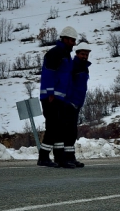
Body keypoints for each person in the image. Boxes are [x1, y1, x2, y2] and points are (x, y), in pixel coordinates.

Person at [38, 26, 77, 168]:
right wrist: (49, 94)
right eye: (72, 40)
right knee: (53, 127)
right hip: (51, 98)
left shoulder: (66, 55)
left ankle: (60, 158)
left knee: (59, 127)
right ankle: (43, 157)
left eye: (74, 41)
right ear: (65, 39)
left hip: (60, 98)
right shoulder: (56, 53)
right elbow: (48, 74)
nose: (73, 43)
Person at [62, 42, 92, 169]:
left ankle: (71, 157)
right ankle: (65, 158)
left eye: (86, 54)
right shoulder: (73, 66)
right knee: (68, 132)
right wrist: (69, 101)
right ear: (77, 54)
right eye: (82, 54)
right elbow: (67, 84)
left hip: (77, 103)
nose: (84, 56)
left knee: (72, 132)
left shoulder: (84, 67)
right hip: (69, 103)